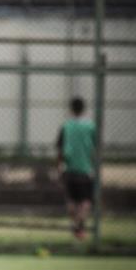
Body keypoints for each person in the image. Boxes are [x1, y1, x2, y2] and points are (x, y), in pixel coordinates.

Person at [56, 97, 97, 240]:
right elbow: (96, 148)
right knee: (86, 201)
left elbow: (60, 149)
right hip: (86, 170)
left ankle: (76, 227)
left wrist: (60, 166)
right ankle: (80, 226)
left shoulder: (66, 126)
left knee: (71, 201)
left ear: (71, 109)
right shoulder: (91, 126)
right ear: (84, 109)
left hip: (69, 170)